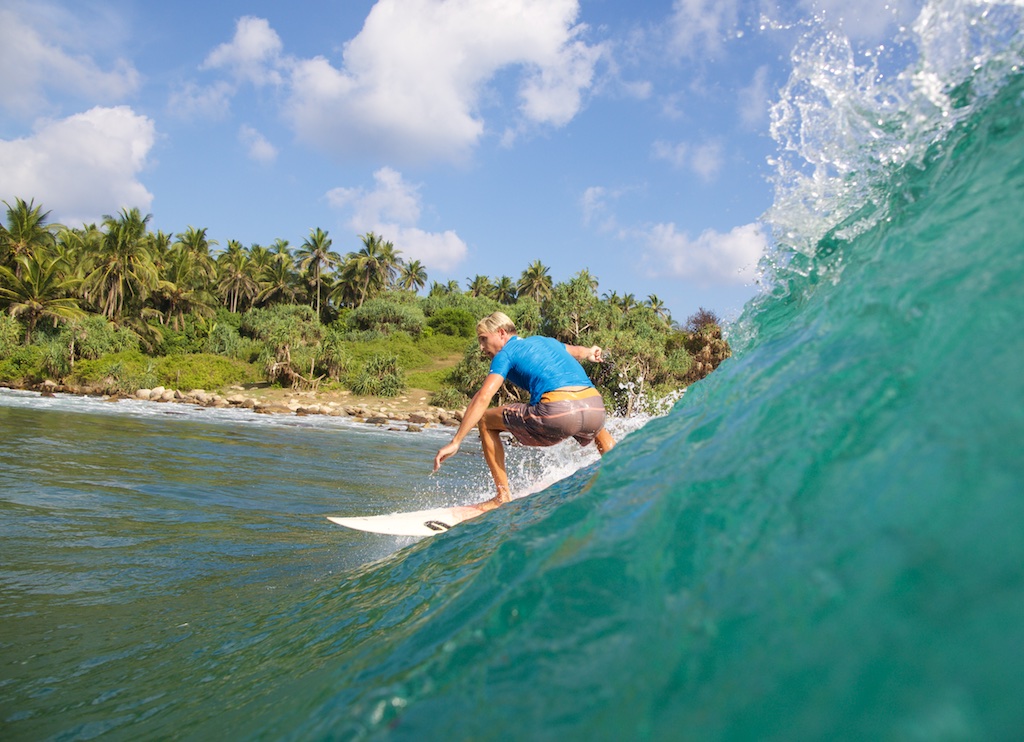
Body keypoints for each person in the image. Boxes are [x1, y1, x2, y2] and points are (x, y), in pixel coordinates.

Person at [433, 311, 616, 512]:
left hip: (558, 413)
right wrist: (591, 352)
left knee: (485, 420)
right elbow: (579, 352)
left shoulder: (505, 354)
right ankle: (619, 468)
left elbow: (483, 397)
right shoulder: (545, 341)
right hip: (596, 409)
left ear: (501, 333)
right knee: (586, 410)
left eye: (484, 339)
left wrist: (456, 440)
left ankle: (502, 496)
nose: (482, 347)